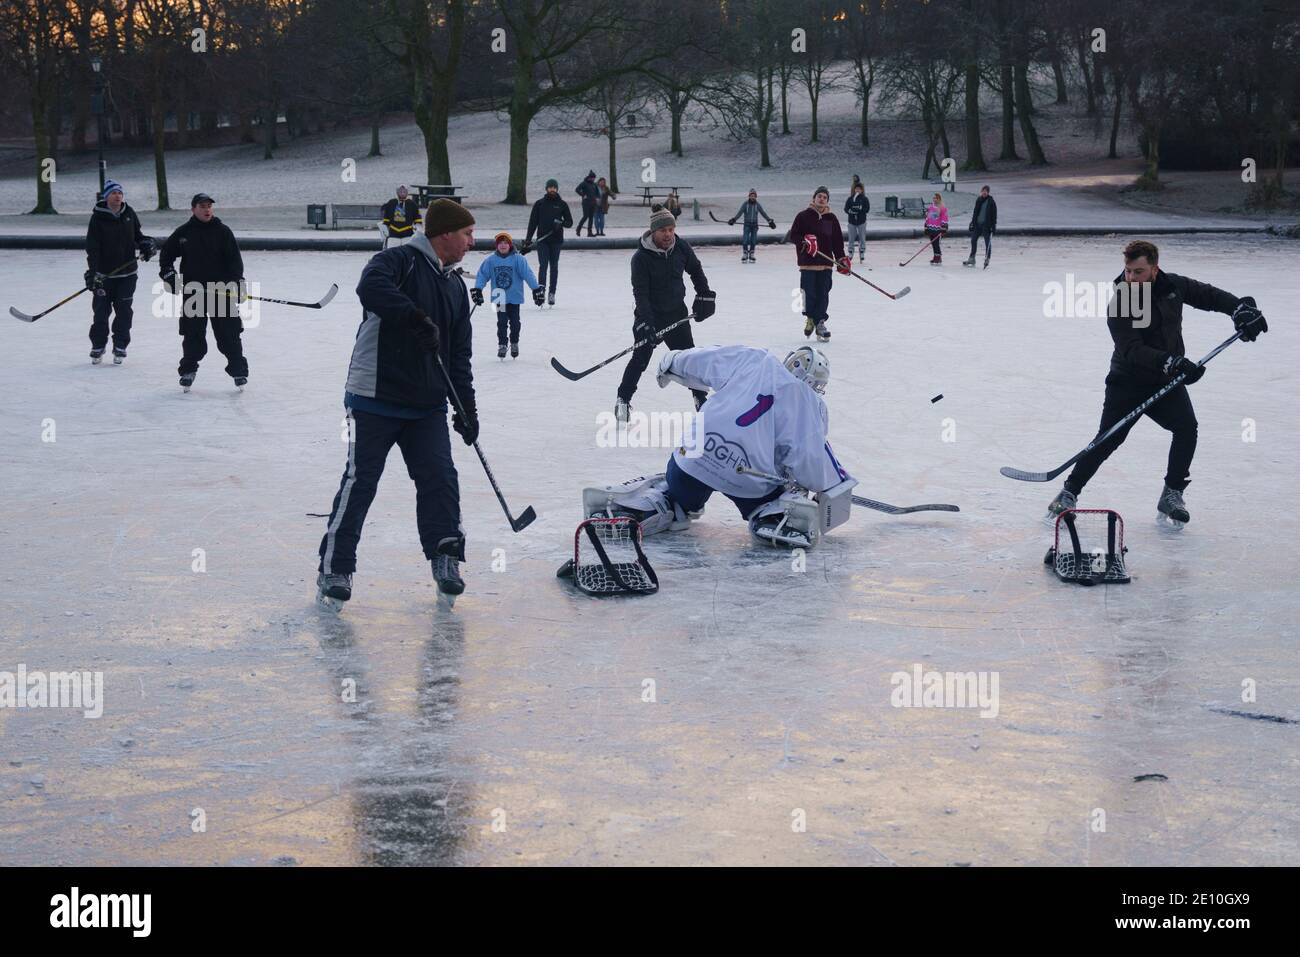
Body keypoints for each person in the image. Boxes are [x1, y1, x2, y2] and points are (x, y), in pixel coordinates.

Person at [316, 199, 480, 610]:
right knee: (361, 482)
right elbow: (369, 288)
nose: (471, 242)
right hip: (375, 397)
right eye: (467, 234)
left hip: (427, 406)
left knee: (440, 479)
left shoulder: (457, 287)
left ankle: (445, 557)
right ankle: (335, 566)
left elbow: (459, 357)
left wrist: (467, 408)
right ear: (444, 234)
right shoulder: (397, 260)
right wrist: (413, 318)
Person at [1045, 240, 1267, 527]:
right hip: (1128, 382)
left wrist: (1238, 309)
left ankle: (1172, 493)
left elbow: (1209, 296)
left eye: (1138, 272)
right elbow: (1131, 349)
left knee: (1186, 428)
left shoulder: (1173, 286)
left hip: (1165, 382)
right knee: (1108, 438)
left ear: (1154, 269)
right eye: (1128, 271)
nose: (1131, 278)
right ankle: (1068, 492)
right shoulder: (1122, 301)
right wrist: (1172, 362)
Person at [584, 344, 855, 550]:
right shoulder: (808, 402)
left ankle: (661, 503)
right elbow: (810, 454)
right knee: (780, 489)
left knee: (681, 489)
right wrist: (832, 487)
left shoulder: (756, 359)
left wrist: (671, 362)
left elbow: (708, 360)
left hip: (694, 457)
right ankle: (775, 515)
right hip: (749, 477)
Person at [615, 204, 715, 422]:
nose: (668, 234)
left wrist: (704, 295)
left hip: (677, 314)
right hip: (649, 315)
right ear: (653, 232)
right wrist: (647, 323)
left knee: (689, 360)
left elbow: (696, 271)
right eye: (663, 231)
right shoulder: (640, 259)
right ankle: (623, 399)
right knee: (640, 359)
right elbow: (640, 293)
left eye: (671, 229)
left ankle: (700, 399)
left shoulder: (681, 247)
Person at [158, 193, 248, 392]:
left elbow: (235, 261)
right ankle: (188, 371)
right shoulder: (184, 233)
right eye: (202, 206)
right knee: (193, 335)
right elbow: (166, 257)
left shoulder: (223, 232)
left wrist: (238, 282)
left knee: (229, 334)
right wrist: (170, 275)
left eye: (209, 206)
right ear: (193, 209)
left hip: (221, 293)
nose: (207, 210)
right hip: (194, 293)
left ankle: (238, 370)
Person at [84, 179, 155, 365]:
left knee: (124, 311)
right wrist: (93, 273)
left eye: (120, 193)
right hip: (104, 276)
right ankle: (98, 345)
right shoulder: (97, 218)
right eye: (114, 193)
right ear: (106, 196)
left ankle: (120, 345)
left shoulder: (129, 213)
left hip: (128, 275)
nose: (117, 196)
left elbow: (139, 236)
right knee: (101, 312)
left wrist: (146, 245)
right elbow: (93, 248)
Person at [786, 186, 848, 342]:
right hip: (808, 264)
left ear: (827, 201)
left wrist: (841, 258)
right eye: (819, 196)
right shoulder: (803, 216)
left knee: (823, 294)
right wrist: (804, 242)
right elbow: (793, 235)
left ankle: (820, 323)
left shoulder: (831, 219)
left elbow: (837, 241)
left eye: (825, 197)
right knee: (808, 294)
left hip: (826, 263)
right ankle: (810, 319)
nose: (821, 199)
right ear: (813, 198)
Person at [472, 231, 544, 359]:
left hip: (514, 296)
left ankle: (514, 342)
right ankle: (502, 344)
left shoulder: (518, 259)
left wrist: (536, 289)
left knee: (515, 323)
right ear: (496, 245)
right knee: (502, 322)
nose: (503, 245)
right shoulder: (491, 261)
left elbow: (528, 274)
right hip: (498, 296)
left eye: (506, 243)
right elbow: (482, 275)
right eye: (500, 243)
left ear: (510, 245)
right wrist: (478, 289)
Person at [523, 178, 573, 306]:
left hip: (556, 241)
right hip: (542, 241)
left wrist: (560, 223)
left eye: (554, 187)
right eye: (550, 187)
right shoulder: (539, 204)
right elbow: (533, 223)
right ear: (546, 189)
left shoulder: (562, 204)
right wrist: (528, 239)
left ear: (557, 189)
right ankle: (541, 291)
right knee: (543, 266)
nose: (552, 189)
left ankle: (552, 293)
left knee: (554, 266)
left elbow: (569, 222)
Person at [728, 188, 776, 263]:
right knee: (745, 240)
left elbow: (763, 213)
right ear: (749, 196)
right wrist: (734, 220)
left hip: (754, 226)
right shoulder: (745, 204)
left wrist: (770, 221)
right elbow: (740, 213)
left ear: (756, 197)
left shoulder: (758, 205)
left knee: (753, 241)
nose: (752, 197)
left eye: (754, 196)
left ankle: (751, 254)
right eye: (751, 196)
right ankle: (745, 253)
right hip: (747, 225)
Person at [963, 185, 997, 268]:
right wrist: (972, 222)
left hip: (986, 225)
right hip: (978, 225)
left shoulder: (991, 202)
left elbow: (994, 215)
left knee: (987, 242)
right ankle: (972, 258)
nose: (984, 193)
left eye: (985, 192)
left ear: (988, 193)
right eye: (983, 191)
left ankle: (987, 258)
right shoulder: (978, 200)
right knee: (973, 240)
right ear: (981, 192)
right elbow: (975, 212)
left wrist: (993, 226)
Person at [843, 182, 870, 264]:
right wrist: (851, 211)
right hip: (852, 222)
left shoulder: (864, 199)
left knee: (862, 237)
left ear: (862, 190)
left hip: (861, 222)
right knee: (851, 238)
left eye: (859, 189)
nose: (857, 190)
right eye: (856, 189)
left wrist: (860, 210)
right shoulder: (850, 199)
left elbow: (867, 209)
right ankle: (850, 252)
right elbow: (846, 209)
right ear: (854, 190)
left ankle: (862, 252)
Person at [924, 192, 948, 265]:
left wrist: (944, 227)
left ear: (939, 199)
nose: (934, 199)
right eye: (934, 198)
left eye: (936, 198)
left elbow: (945, 218)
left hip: (938, 228)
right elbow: (928, 217)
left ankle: (938, 257)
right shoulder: (931, 207)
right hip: (931, 227)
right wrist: (926, 225)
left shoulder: (942, 208)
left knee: (936, 243)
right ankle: (936, 256)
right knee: (933, 243)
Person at [575, 170, 600, 237]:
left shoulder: (594, 184)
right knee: (585, 216)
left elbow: (598, 193)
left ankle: (589, 232)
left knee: (591, 218)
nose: (593, 179)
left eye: (594, 178)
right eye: (592, 178)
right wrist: (583, 195)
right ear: (589, 177)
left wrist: (597, 198)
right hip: (586, 203)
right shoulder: (584, 183)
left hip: (593, 203)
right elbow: (577, 189)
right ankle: (578, 228)